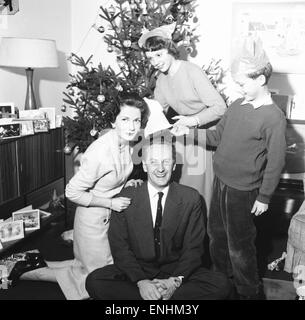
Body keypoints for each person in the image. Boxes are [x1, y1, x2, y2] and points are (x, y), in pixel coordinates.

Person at [9, 92, 149, 300]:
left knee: (95, 269)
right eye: (125, 119)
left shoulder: (125, 143)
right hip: (92, 222)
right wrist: (110, 202)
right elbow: (72, 192)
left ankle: (29, 260)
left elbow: (111, 178)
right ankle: (25, 271)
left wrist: (127, 183)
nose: (131, 126)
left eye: (136, 120)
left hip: (107, 219)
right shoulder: (99, 152)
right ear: (113, 120)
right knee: (93, 281)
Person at [85, 134, 231, 300]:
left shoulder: (191, 198)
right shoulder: (126, 196)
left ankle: (155, 299)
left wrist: (174, 282)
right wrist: (141, 282)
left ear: (174, 165)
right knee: (95, 281)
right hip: (138, 272)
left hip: (176, 271)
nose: (160, 168)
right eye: (153, 162)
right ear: (145, 166)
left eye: (166, 162)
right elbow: (119, 247)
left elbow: (194, 248)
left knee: (221, 284)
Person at [206, 36, 287, 299]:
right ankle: (220, 287)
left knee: (239, 248)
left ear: (260, 79)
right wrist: (187, 132)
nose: (239, 88)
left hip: (243, 191)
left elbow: (276, 161)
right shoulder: (237, 105)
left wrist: (264, 197)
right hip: (220, 182)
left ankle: (249, 293)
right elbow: (215, 137)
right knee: (216, 237)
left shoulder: (273, 117)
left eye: (242, 83)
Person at [138, 23, 227, 212]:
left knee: (198, 191)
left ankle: (200, 234)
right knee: (179, 184)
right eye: (150, 58)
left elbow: (220, 107)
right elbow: (158, 110)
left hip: (204, 135)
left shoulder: (191, 71)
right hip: (183, 132)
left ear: (170, 49)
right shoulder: (161, 79)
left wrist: (192, 121)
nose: (154, 62)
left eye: (159, 54)